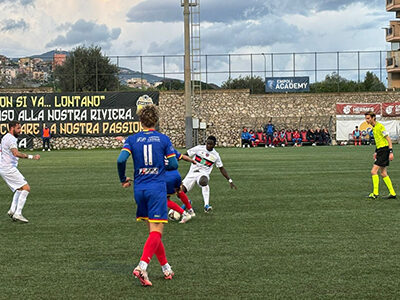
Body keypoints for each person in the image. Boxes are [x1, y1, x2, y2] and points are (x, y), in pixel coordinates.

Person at [117, 105, 178, 287]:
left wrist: (123, 179)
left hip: (140, 189)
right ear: (156, 121)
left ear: (140, 121)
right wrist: (159, 167)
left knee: (154, 232)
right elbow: (174, 164)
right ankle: (141, 267)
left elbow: (121, 160)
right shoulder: (163, 139)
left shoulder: (132, 139)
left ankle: (166, 267)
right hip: (156, 189)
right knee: (157, 232)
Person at [182, 136, 237, 212]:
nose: (208, 145)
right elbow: (186, 154)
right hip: (192, 173)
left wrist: (230, 180)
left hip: (203, 174)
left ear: (214, 144)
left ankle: (206, 205)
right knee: (180, 191)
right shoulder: (199, 148)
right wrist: (176, 159)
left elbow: (221, 168)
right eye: (207, 143)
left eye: (211, 144)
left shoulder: (215, 155)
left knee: (204, 182)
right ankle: (187, 203)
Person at [0, 121, 40, 223]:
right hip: (8, 168)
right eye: (18, 128)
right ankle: (18, 213)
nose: (20, 131)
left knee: (19, 189)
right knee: (26, 188)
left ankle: (12, 210)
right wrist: (32, 157)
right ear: (12, 128)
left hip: (4, 168)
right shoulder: (11, 139)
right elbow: (16, 153)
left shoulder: (5, 137)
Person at [364, 111, 396, 200]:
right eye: (366, 118)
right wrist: (376, 152)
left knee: (373, 171)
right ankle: (392, 193)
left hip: (385, 150)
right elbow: (378, 142)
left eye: (368, 118)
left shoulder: (380, 126)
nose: (367, 120)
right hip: (380, 151)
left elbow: (388, 139)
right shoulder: (373, 128)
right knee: (383, 173)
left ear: (373, 118)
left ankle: (375, 193)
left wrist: (391, 152)